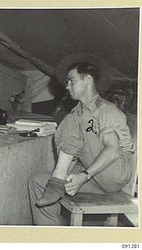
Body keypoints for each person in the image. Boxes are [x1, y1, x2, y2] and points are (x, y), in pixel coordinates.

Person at [28, 62, 134, 226]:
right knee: (37, 182)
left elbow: (112, 151)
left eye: (72, 81)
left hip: (114, 173)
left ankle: (57, 180)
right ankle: (53, 238)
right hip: (94, 174)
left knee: (72, 120)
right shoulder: (78, 111)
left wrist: (83, 176)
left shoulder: (107, 110)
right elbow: (74, 151)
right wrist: (74, 176)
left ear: (88, 80)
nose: (67, 86)